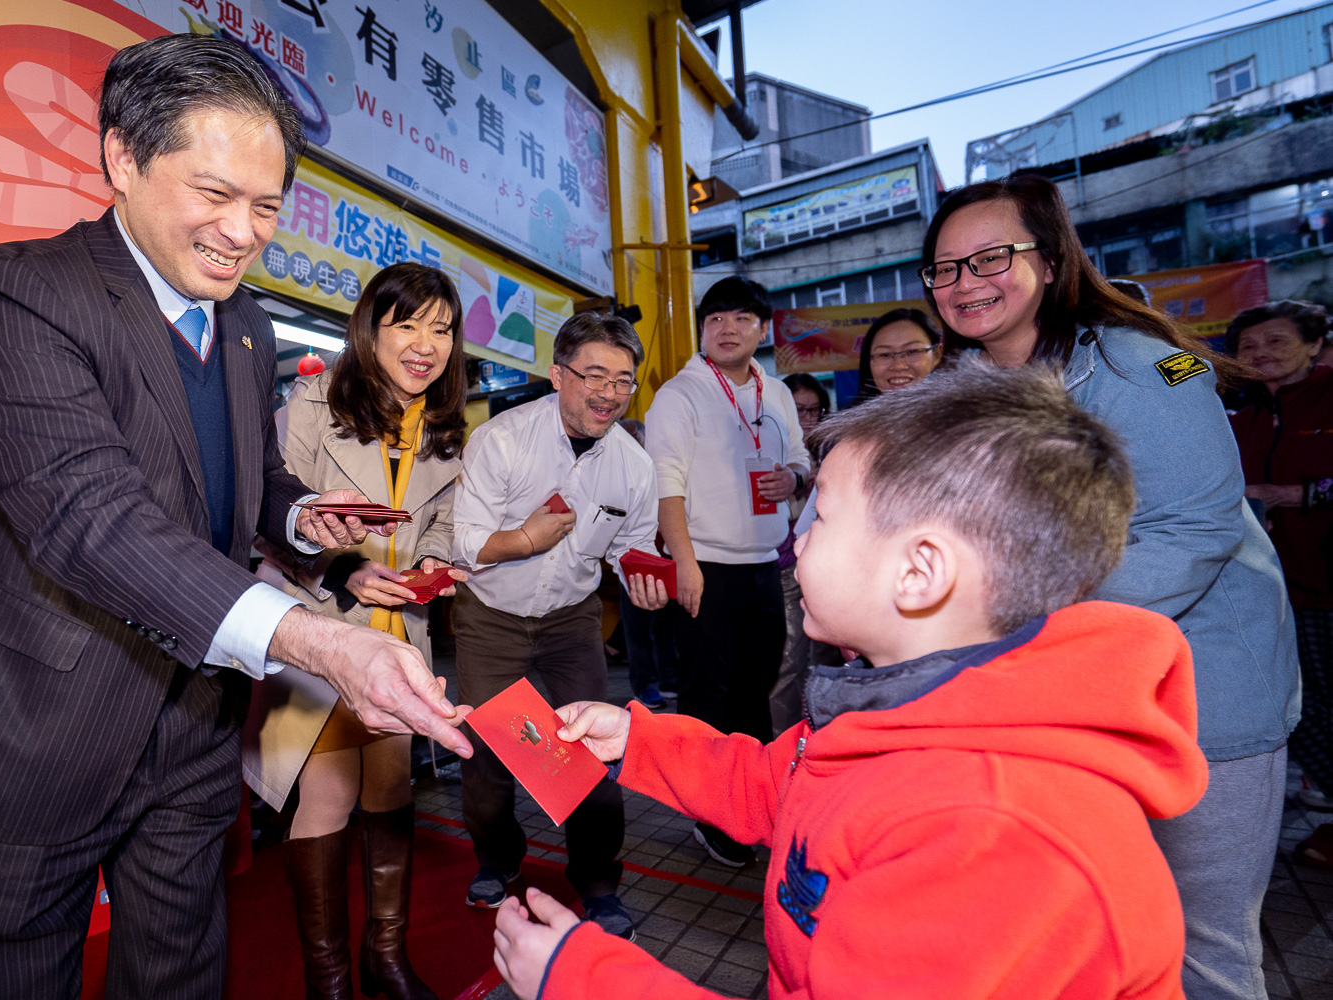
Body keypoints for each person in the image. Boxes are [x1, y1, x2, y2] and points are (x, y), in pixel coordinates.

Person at [0, 35, 470, 1000]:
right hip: (29, 724)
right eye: (214, 194)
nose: (242, 232)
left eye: (268, 207)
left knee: (182, 975)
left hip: (193, 723)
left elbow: (242, 479)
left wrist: (301, 508)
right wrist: (319, 642)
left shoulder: (245, 325)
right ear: (121, 158)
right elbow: (87, 513)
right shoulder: (16, 291)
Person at [491, 362, 1210, 1000]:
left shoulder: (987, 839)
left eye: (821, 515)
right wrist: (638, 740)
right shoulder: (909, 700)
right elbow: (777, 786)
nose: (795, 537)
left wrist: (583, 980)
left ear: (920, 572)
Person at [921, 172, 1299, 1000]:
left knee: (1205, 952)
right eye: (944, 270)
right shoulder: (970, 389)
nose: (964, 284)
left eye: (990, 258)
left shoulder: (1145, 367)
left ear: (1051, 261)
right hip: (1070, 703)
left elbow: (1192, 535)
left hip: (1202, 699)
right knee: (1100, 931)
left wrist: (1006, 617)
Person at [242, 263, 468, 1000]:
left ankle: (388, 958)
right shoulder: (311, 403)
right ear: (370, 329)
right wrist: (341, 574)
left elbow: (438, 521)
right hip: (321, 629)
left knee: (392, 787)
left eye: (442, 329)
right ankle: (329, 979)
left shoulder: (440, 424)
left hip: (400, 632)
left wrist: (435, 558)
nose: (425, 345)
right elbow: (267, 514)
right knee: (329, 795)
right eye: (408, 324)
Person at [450, 311, 668, 940]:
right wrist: (521, 539)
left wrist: (641, 581)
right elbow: (465, 542)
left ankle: (598, 882)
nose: (608, 393)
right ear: (557, 375)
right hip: (490, 615)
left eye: (623, 381)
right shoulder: (502, 439)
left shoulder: (634, 464)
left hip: (572, 621)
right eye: (594, 375)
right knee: (487, 749)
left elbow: (629, 544)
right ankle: (497, 856)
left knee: (585, 748)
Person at [645, 275, 810, 868]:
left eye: (741, 318)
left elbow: (800, 460)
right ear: (702, 330)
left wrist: (793, 479)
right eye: (715, 319)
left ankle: (751, 801)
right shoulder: (680, 394)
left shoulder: (778, 394)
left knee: (754, 693)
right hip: (706, 568)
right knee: (706, 695)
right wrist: (683, 564)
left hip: (766, 564)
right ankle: (708, 811)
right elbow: (667, 485)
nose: (727, 328)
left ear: (762, 330)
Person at [1225, 302, 1333, 826]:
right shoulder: (1234, 415)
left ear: (1314, 344)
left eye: (1276, 341)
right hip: (1271, 590)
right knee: (1300, 704)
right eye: (1248, 346)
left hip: (1326, 579)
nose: (1260, 353)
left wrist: (1296, 494)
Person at [767, 374, 829, 736]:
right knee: (787, 664)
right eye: (796, 410)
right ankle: (785, 749)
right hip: (787, 569)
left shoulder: (834, 444)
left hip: (832, 571)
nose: (805, 419)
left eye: (812, 410)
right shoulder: (772, 449)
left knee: (827, 662)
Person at [615, 417, 676, 710]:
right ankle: (645, 684)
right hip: (631, 560)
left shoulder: (657, 469)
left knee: (666, 624)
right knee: (638, 627)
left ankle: (668, 679)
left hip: (665, 556)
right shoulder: (613, 474)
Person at [852, 307, 943, 402]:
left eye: (912, 351)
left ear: (936, 355)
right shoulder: (852, 416)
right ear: (869, 361)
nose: (898, 366)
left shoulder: (955, 413)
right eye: (885, 355)